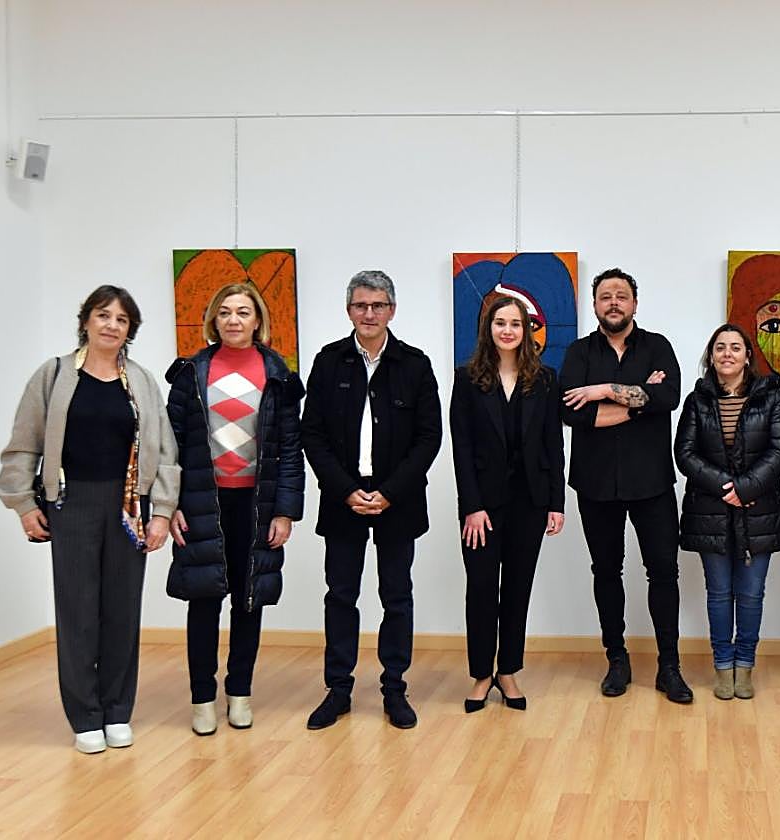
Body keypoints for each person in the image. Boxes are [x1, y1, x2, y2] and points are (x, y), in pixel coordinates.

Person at [0, 286, 178, 754]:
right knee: (77, 612)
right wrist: (22, 504)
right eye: (103, 315)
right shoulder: (54, 375)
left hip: (127, 509)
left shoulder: (141, 382)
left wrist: (161, 513)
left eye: (122, 320)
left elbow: (166, 456)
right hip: (69, 504)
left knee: (122, 610)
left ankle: (118, 710)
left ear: (130, 331)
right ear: (86, 321)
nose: (111, 325)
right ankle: (85, 717)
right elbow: (23, 444)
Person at [302, 270, 442, 730]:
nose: (369, 313)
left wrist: (388, 492)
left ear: (392, 310)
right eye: (360, 305)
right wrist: (346, 490)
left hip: (396, 501)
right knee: (340, 595)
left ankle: (394, 689)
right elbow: (313, 435)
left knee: (396, 597)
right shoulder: (328, 361)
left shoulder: (415, 365)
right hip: (343, 499)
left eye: (378, 305)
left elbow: (428, 438)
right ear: (349, 311)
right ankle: (337, 690)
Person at [165, 282, 305, 736]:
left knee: (250, 600)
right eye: (224, 312)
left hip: (257, 503)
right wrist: (170, 505)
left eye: (243, 312)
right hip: (203, 501)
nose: (233, 320)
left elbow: (289, 449)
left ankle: (239, 693)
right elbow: (171, 445)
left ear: (258, 320)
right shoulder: (191, 372)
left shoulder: (277, 373)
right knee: (204, 600)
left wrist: (285, 511)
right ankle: (203, 699)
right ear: (213, 319)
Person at [559, 267, 692, 703]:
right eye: (605, 296)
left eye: (621, 295)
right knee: (606, 572)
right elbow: (571, 413)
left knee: (663, 572)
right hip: (595, 484)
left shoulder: (658, 347)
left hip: (651, 481)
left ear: (635, 303)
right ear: (594, 305)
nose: (613, 302)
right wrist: (637, 400)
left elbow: (668, 398)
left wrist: (601, 390)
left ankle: (669, 666)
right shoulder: (578, 352)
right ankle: (617, 659)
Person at [449, 296, 565, 713]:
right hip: (482, 506)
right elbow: (460, 448)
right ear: (488, 328)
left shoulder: (545, 380)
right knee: (481, 588)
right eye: (500, 322)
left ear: (526, 330)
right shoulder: (467, 379)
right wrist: (471, 507)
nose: (508, 330)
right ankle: (482, 673)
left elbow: (554, 444)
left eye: (516, 323)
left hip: (530, 503)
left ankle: (508, 670)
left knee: (517, 589)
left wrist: (557, 502)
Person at [674, 324, 780, 700]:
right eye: (720, 347)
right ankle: (723, 667)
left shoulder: (771, 397)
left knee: (752, 594)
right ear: (711, 356)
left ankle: (745, 666)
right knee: (719, 593)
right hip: (710, 509)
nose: (727, 353)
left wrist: (744, 489)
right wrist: (726, 486)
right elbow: (685, 453)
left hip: (759, 509)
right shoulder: (697, 399)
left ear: (747, 356)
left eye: (735, 347)